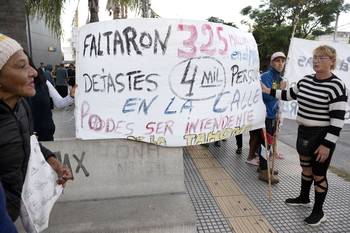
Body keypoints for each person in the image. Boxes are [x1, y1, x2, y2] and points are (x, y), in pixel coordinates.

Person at [261, 45, 347, 226]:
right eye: (315, 57)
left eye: (322, 58)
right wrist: (268, 90)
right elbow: (288, 95)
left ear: (332, 62)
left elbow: (337, 121)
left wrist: (326, 145)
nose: (316, 60)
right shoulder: (306, 80)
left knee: (319, 175)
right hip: (303, 133)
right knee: (306, 168)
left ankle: (319, 211)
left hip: (322, 136)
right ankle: (303, 197)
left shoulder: (337, 86)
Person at [0, 33, 73, 221]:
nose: (33, 72)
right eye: (22, 66)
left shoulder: (21, 106)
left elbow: (30, 142)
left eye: (30, 64)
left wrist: (54, 163)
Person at [28, 55, 76, 141]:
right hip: (24, 139)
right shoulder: (12, 88)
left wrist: (71, 96)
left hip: (45, 134)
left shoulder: (44, 83)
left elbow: (59, 103)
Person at [257, 51, 287, 184]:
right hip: (264, 115)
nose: (280, 63)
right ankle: (264, 169)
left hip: (273, 115)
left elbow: (279, 99)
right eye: (277, 61)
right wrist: (279, 91)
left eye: (282, 61)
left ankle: (264, 166)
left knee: (269, 142)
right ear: (272, 62)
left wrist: (279, 113)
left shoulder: (280, 78)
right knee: (265, 143)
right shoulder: (266, 76)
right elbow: (264, 96)